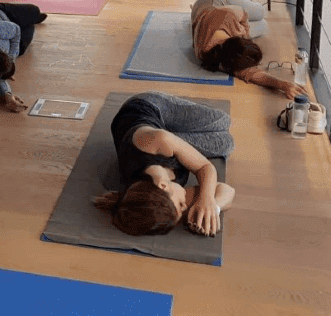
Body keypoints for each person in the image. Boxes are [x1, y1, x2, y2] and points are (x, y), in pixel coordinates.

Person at [93, 92, 236, 237]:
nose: (185, 206)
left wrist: (205, 199)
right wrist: (212, 207)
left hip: (147, 108)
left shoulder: (159, 140)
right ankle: (180, 145)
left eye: (181, 204)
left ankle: (177, 141)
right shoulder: (158, 198)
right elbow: (227, 191)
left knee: (223, 123)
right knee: (227, 142)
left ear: (163, 185)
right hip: (164, 140)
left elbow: (205, 167)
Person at [191, 0, 304, 99]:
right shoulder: (219, 57)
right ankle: (253, 12)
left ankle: (251, 5)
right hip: (203, 12)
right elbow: (254, 74)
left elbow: (243, 14)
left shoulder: (227, 16)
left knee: (260, 12)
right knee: (263, 25)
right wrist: (283, 85)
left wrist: (246, 31)